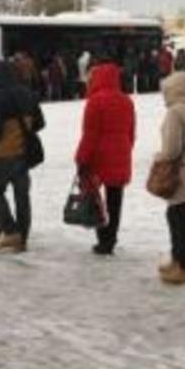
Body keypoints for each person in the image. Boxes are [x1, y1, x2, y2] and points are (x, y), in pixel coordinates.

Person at [74, 61, 136, 256]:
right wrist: (125, 150)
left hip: (98, 159)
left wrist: (81, 158)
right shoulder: (127, 101)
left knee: (96, 199)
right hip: (121, 155)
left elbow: (90, 135)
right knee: (115, 200)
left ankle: (102, 239)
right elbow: (131, 133)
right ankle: (111, 238)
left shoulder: (95, 101)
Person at [0, 60, 46, 253]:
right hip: (23, 155)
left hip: (4, 153)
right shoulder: (28, 94)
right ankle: (23, 238)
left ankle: (10, 231)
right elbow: (40, 123)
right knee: (22, 196)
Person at [155, 71, 185, 284]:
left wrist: (159, 157)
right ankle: (179, 262)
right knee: (180, 218)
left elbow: (172, 150)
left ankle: (182, 266)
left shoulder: (175, 113)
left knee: (177, 220)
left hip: (178, 173)